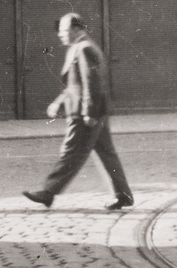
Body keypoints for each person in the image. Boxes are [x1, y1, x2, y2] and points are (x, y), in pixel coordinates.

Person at [24, 13, 133, 210]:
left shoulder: (83, 49)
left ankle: (48, 192)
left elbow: (91, 83)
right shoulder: (83, 47)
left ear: (76, 29)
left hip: (84, 113)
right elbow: (75, 84)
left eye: (64, 31)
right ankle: (123, 195)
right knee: (106, 153)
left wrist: (89, 112)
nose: (60, 35)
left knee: (71, 152)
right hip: (93, 110)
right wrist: (59, 102)